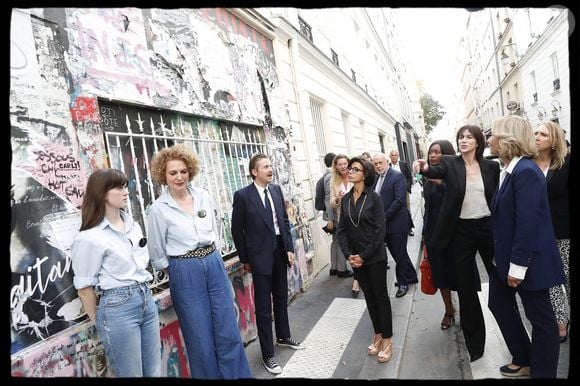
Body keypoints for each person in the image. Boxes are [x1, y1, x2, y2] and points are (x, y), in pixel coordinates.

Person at [147, 145, 251, 379]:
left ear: (190, 171)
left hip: (213, 262)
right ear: (163, 175)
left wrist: (209, 258)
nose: (179, 177)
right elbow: (157, 253)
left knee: (227, 328)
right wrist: (179, 267)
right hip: (184, 270)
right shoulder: (158, 209)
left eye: (183, 171)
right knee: (199, 336)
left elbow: (213, 231)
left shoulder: (204, 196)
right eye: (173, 173)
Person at [487, 115, 565, 378]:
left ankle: (542, 372)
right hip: (506, 258)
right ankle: (524, 356)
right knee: (498, 304)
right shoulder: (511, 169)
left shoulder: (526, 172)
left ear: (508, 138)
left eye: (494, 133)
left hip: (527, 263)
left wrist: (517, 267)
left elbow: (528, 224)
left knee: (542, 321)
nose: (490, 139)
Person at [413, 124, 499, 363]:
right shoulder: (451, 164)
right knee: (465, 287)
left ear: (478, 141)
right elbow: (433, 169)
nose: (463, 140)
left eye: (469, 137)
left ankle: (510, 327)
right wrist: (422, 166)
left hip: (487, 228)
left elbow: (497, 200)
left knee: (500, 278)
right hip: (461, 230)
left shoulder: (491, 167)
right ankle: (475, 344)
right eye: (461, 137)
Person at [71, 168, 161, 377]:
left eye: (125, 186)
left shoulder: (132, 225)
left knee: (154, 371)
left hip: (146, 297)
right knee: (131, 373)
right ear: (102, 193)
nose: (125, 191)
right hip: (118, 307)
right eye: (119, 187)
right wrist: (102, 323)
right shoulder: (90, 237)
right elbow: (85, 289)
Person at [231, 153, 305, 375]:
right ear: (255, 171)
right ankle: (268, 355)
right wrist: (246, 259)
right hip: (259, 258)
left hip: (279, 253)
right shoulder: (243, 196)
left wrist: (289, 249)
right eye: (265, 166)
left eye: (271, 165)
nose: (271, 169)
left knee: (281, 297)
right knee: (263, 308)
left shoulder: (275, 190)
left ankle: (283, 335)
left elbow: (283, 221)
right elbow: (237, 230)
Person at [336, 156, 393, 363]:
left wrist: (363, 255)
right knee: (369, 297)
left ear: (365, 174)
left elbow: (380, 232)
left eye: (355, 169)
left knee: (380, 297)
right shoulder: (345, 199)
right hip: (356, 258)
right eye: (349, 169)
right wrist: (349, 255)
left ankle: (387, 339)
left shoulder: (374, 198)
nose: (350, 171)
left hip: (374, 257)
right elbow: (341, 231)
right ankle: (377, 333)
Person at [533, 121, 570, 343]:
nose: (537, 137)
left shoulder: (565, 165)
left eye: (543, 134)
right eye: (535, 133)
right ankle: (560, 321)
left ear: (554, 142)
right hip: (540, 233)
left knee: (567, 279)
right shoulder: (528, 164)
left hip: (563, 231)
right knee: (552, 279)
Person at [421, 140, 457, 329]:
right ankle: (449, 310)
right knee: (440, 275)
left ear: (447, 154)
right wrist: (425, 235)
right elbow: (428, 208)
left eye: (437, 152)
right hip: (433, 235)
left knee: (458, 275)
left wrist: (441, 183)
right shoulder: (427, 178)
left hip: (453, 235)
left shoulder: (455, 174)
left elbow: (457, 201)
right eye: (431, 152)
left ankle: (468, 310)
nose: (432, 155)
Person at [372, 152, 417, 298]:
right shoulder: (376, 178)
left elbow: (399, 201)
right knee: (399, 253)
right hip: (385, 225)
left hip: (397, 223)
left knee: (399, 253)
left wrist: (383, 218)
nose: (378, 166)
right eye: (376, 163)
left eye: (380, 163)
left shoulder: (397, 176)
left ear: (387, 162)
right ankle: (411, 276)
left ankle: (403, 283)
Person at [329, 154, 361, 296]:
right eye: (339, 164)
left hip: (359, 217)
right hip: (343, 218)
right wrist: (337, 199)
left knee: (357, 247)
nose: (342, 166)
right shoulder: (333, 181)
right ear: (335, 166)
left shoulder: (355, 175)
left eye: (344, 163)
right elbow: (331, 202)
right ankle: (358, 276)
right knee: (350, 249)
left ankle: (357, 280)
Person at [389, 150, 414, 236]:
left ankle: (409, 228)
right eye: (392, 155)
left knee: (406, 209)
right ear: (390, 157)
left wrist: (408, 186)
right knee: (396, 209)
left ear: (398, 156)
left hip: (404, 190)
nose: (394, 157)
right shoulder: (388, 166)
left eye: (395, 155)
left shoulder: (403, 164)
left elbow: (409, 175)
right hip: (393, 192)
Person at [320, 152, 337, 268]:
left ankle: (334, 267)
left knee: (335, 240)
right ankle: (340, 268)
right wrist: (331, 218)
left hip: (331, 214)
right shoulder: (330, 176)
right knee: (338, 241)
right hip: (333, 214)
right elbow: (328, 198)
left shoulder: (326, 175)